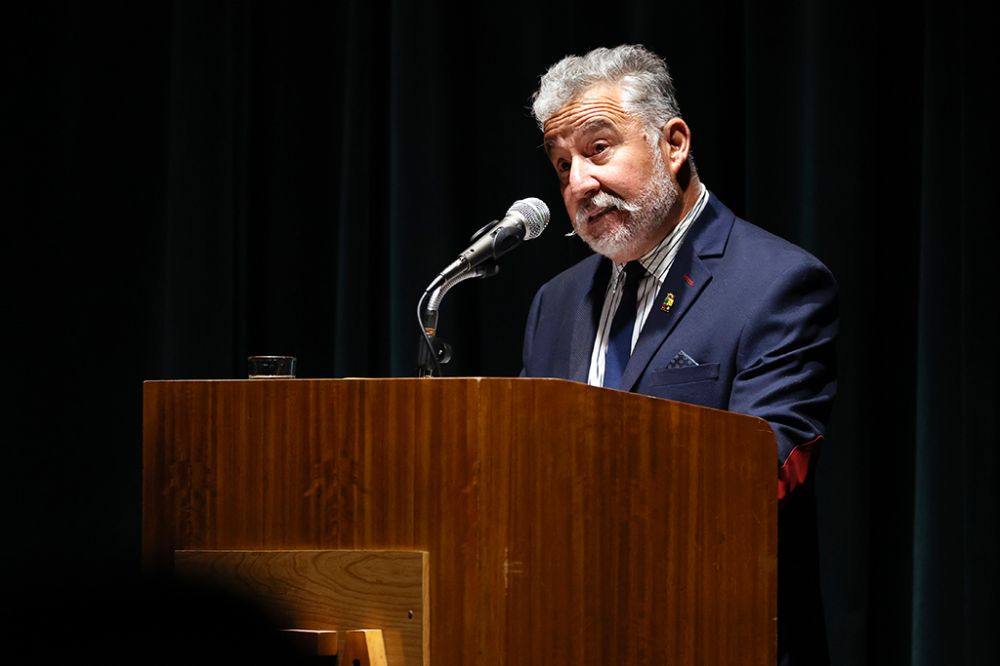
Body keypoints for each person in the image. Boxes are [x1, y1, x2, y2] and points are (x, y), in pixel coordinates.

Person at [520, 44, 837, 666]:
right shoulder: (552, 305)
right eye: (562, 165)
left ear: (673, 144)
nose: (578, 183)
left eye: (598, 148)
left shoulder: (777, 284)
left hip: (714, 635)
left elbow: (764, 475)